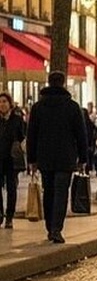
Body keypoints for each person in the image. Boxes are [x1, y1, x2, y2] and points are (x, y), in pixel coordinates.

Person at [25, 71, 88, 244]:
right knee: (61, 193)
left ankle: (49, 226)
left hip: (44, 157)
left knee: (49, 192)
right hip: (66, 157)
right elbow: (81, 135)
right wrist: (83, 158)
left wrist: (31, 160)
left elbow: (32, 135)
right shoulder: (72, 107)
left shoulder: (38, 107)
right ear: (63, 83)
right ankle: (56, 229)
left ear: (49, 82)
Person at [0, 93, 26, 228]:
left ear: (10, 104)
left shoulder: (17, 119)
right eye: (0, 102)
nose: (2, 104)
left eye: (4, 101)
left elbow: (22, 138)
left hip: (12, 159)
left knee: (11, 189)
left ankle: (9, 216)